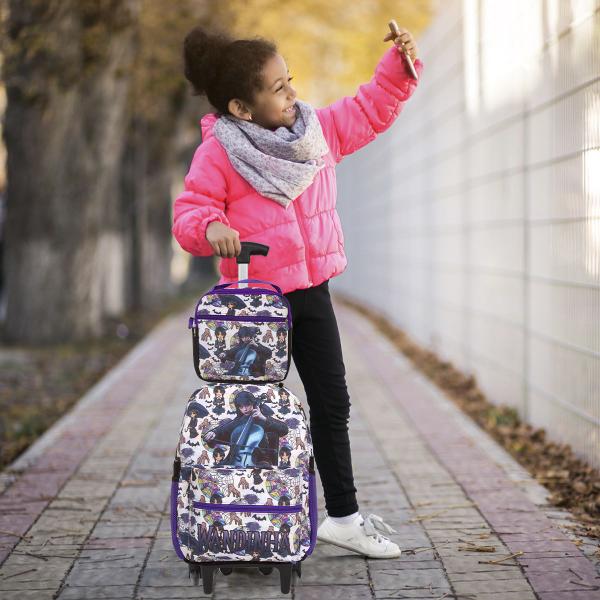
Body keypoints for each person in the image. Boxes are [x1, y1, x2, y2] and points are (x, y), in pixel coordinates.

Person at [173, 23, 423, 559]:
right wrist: (209, 228)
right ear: (242, 107)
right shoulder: (220, 152)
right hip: (255, 308)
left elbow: (367, 109)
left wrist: (397, 68)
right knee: (250, 412)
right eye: (279, 88)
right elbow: (191, 211)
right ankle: (243, 519)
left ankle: (344, 517)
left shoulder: (313, 131)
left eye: (290, 80)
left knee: (332, 402)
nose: (292, 93)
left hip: (311, 295)